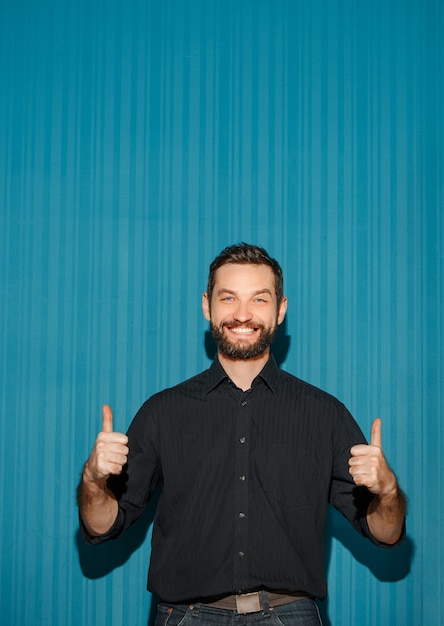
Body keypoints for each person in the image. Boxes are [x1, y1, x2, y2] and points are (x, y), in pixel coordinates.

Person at [78, 243, 407, 625]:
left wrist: (387, 492)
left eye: (259, 299)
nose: (242, 314)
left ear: (280, 310)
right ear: (208, 306)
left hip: (291, 615)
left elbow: (386, 533)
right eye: (229, 297)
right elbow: (101, 525)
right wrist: (92, 481)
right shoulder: (163, 412)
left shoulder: (325, 414)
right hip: (186, 616)